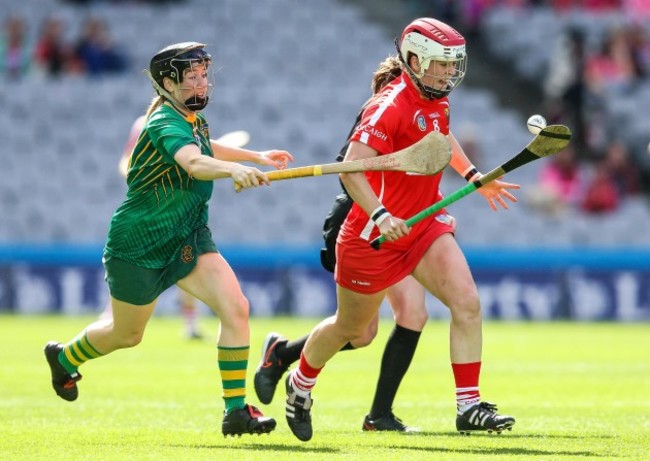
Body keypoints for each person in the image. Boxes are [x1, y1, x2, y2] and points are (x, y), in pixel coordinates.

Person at [281, 18, 519, 442]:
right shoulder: (388, 106)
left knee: (466, 303)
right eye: (441, 65)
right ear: (414, 60)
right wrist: (379, 215)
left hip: (424, 225)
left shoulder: (437, 99)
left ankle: (469, 405)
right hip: (374, 236)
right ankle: (299, 383)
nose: (449, 73)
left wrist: (473, 175)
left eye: (453, 65)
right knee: (351, 329)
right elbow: (352, 170)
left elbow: (440, 141)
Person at [43, 42, 294, 437]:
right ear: (166, 83)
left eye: (203, 75)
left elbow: (204, 147)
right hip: (138, 242)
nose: (201, 83)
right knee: (126, 335)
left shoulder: (191, 118)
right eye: (190, 77)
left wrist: (254, 156)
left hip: (188, 235)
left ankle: (235, 411)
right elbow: (194, 163)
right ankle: (64, 358)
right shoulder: (162, 121)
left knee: (236, 308)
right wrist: (232, 171)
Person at [254, 55, 457, 433]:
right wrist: (383, 214)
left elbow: (425, 168)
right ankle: (282, 357)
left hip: (401, 225)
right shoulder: (386, 110)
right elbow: (359, 177)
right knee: (359, 331)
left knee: (410, 315)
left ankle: (377, 414)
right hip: (362, 222)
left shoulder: (427, 110)